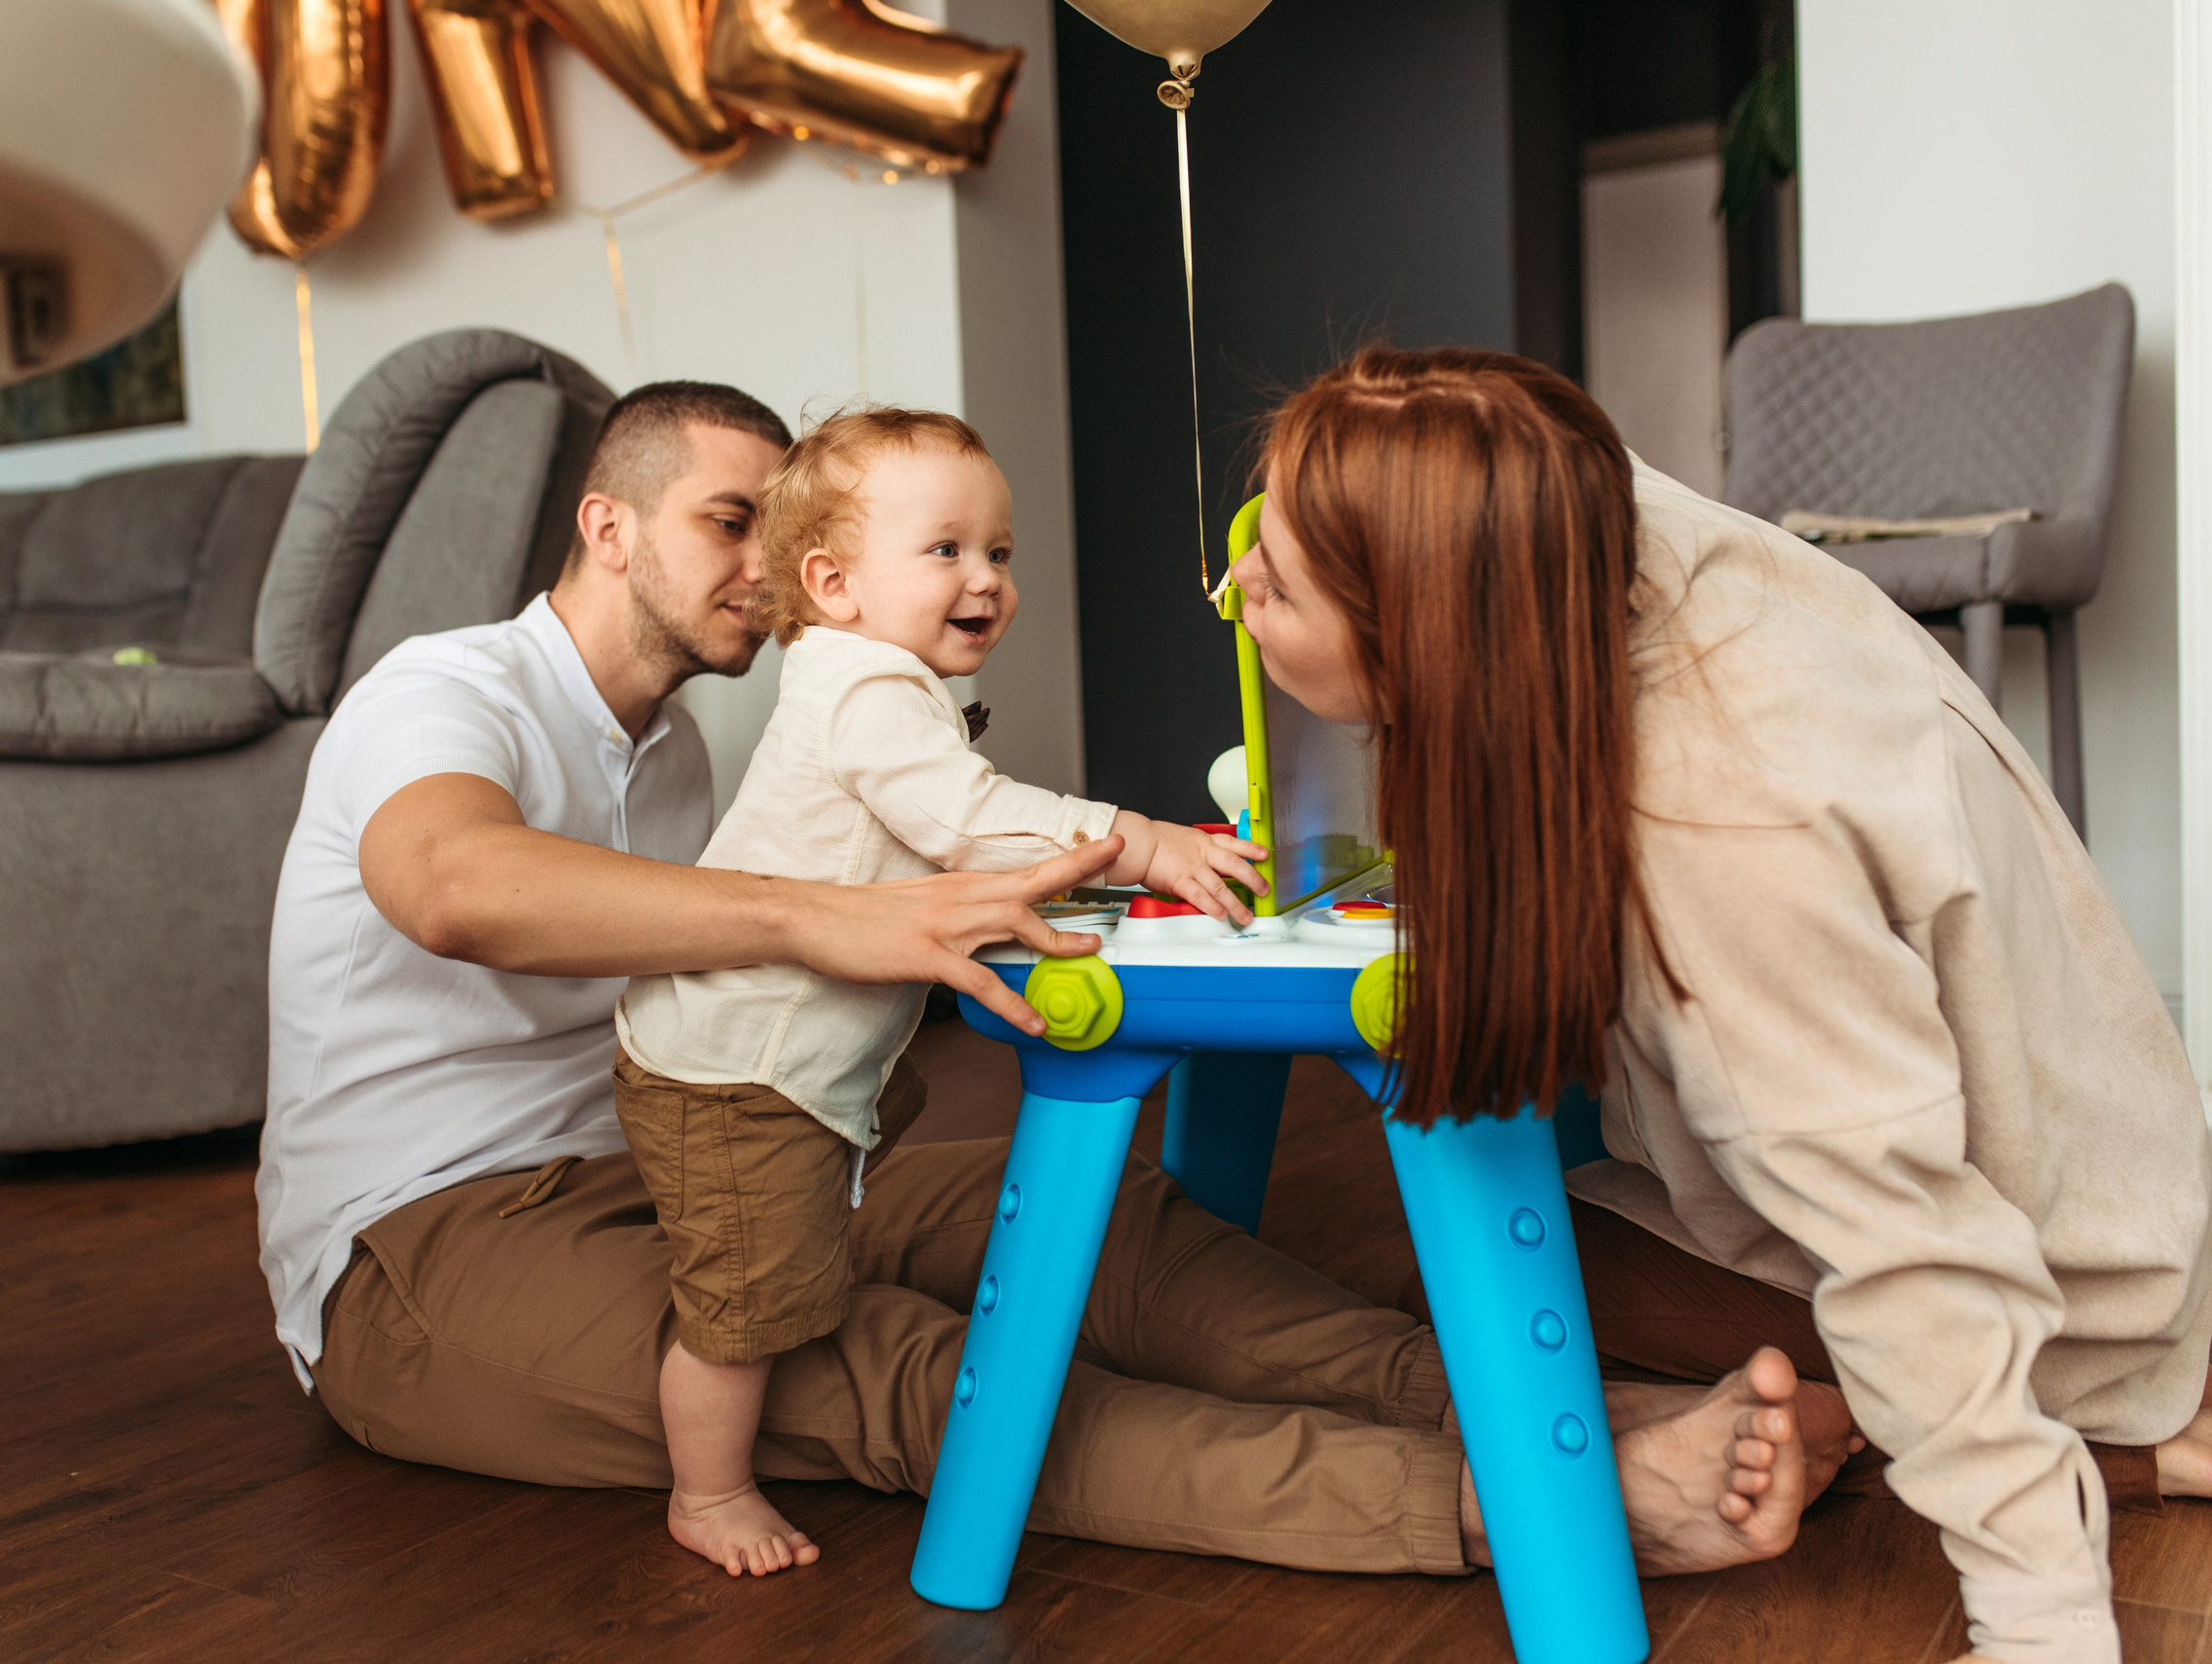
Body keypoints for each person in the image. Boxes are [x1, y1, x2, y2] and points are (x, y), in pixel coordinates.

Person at [256, 376, 1842, 1596]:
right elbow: (453, 887)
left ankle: (1568, 1407)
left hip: (677, 1142)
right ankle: (1549, 1509)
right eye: (725, 522)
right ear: (608, 525)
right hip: (426, 1244)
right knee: (921, 1368)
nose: (767, 565)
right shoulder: (448, 687)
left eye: (783, 522)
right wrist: (824, 919)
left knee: (1103, 1225)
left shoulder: (685, 748)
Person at [1227, 344, 2212, 1664]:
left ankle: (2148, 1440)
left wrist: (2041, 1617)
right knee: (1495, 1257)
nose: (1234, 589)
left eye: (1276, 582)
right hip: (2111, 1181)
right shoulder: (1604, 533)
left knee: (1485, 1281)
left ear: (1433, 628)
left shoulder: (1722, 833)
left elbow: (1907, 1245)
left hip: (2060, 1285)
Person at [610, 406, 1267, 1575]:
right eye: (947, 550)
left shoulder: (873, 677)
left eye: (999, 552)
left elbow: (949, 835)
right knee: (740, 1303)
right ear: (832, 582)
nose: (985, 579)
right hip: (739, 1066)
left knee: (793, 1238)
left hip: (756, 1053)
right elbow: (966, 821)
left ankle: (791, 1305)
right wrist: (1137, 838)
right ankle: (707, 1494)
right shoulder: (863, 690)